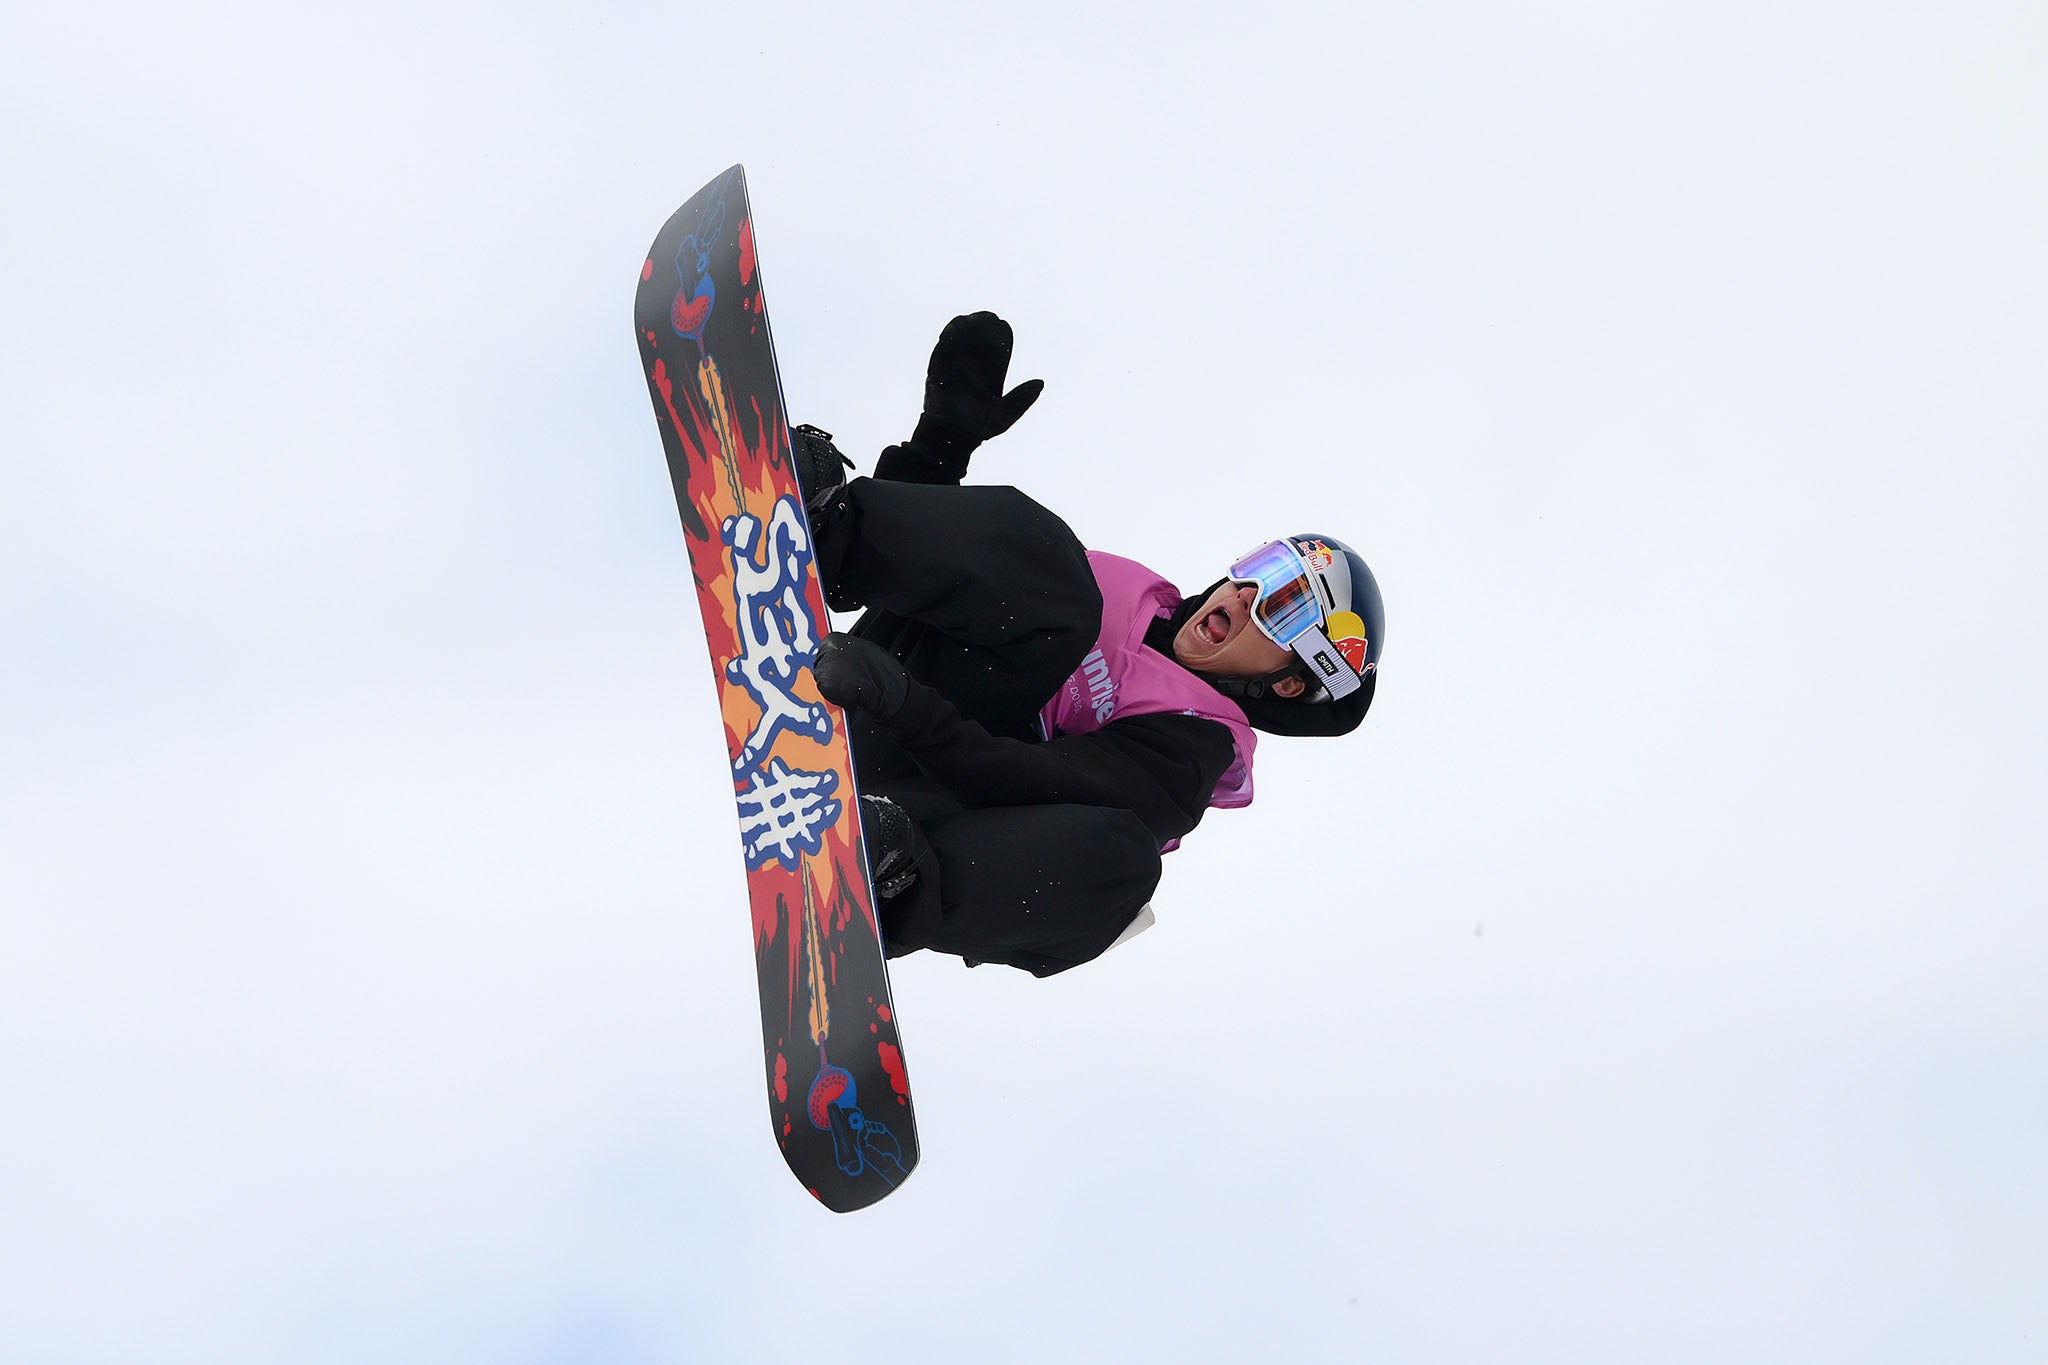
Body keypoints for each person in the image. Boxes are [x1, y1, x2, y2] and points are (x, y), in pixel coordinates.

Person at [796, 313, 1384, 977]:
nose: (1246, 595)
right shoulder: (1116, 596)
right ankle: (823, 525)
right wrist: (942, 443)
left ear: (1288, 681)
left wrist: (900, 703)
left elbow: (1019, 777)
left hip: (913, 803)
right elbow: (939, 590)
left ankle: (887, 882)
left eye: (1283, 606)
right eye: (1263, 570)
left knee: (1124, 867)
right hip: (865, 681)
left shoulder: (1189, 751)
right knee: (1057, 576)